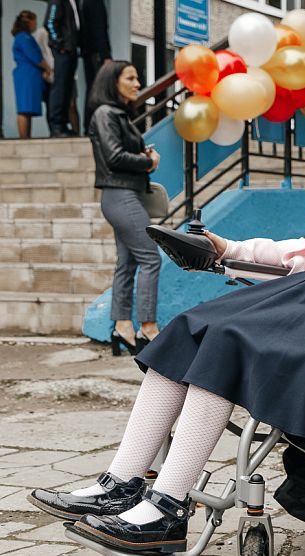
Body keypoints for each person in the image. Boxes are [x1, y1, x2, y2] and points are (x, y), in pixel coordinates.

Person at [28, 79, 305, 555]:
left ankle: (168, 507)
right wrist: (227, 249)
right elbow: (302, 252)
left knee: (227, 342)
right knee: (189, 329)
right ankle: (121, 481)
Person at [86, 61, 162, 354]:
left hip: (125, 194)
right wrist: (148, 162)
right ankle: (148, 328)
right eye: (130, 78)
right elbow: (114, 157)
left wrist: (143, 155)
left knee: (127, 262)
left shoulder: (117, 115)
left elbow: (119, 153)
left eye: (137, 78)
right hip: (120, 195)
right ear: (112, 82)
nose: (137, 84)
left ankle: (122, 326)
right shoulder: (106, 114)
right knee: (151, 258)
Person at [11, 11, 51, 139]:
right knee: (24, 109)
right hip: (26, 76)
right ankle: (24, 138)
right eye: (34, 21)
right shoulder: (23, 38)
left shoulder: (25, 37)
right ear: (29, 22)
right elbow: (34, 56)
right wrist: (47, 68)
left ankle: (27, 137)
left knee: (28, 109)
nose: (36, 25)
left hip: (31, 76)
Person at [44, 0, 81, 136]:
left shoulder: (74, 2)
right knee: (60, 87)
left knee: (67, 88)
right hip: (63, 50)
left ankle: (63, 125)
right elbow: (49, 22)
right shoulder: (58, 0)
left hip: (72, 50)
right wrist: (59, 44)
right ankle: (56, 126)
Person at [81, 0, 112, 134]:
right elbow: (99, 29)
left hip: (90, 52)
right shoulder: (95, 3)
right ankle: (94, 126)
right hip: (97, 54)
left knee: (93, 89)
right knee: (98, 90)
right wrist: (105, 56)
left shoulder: (86, 3)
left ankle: (90, 126)